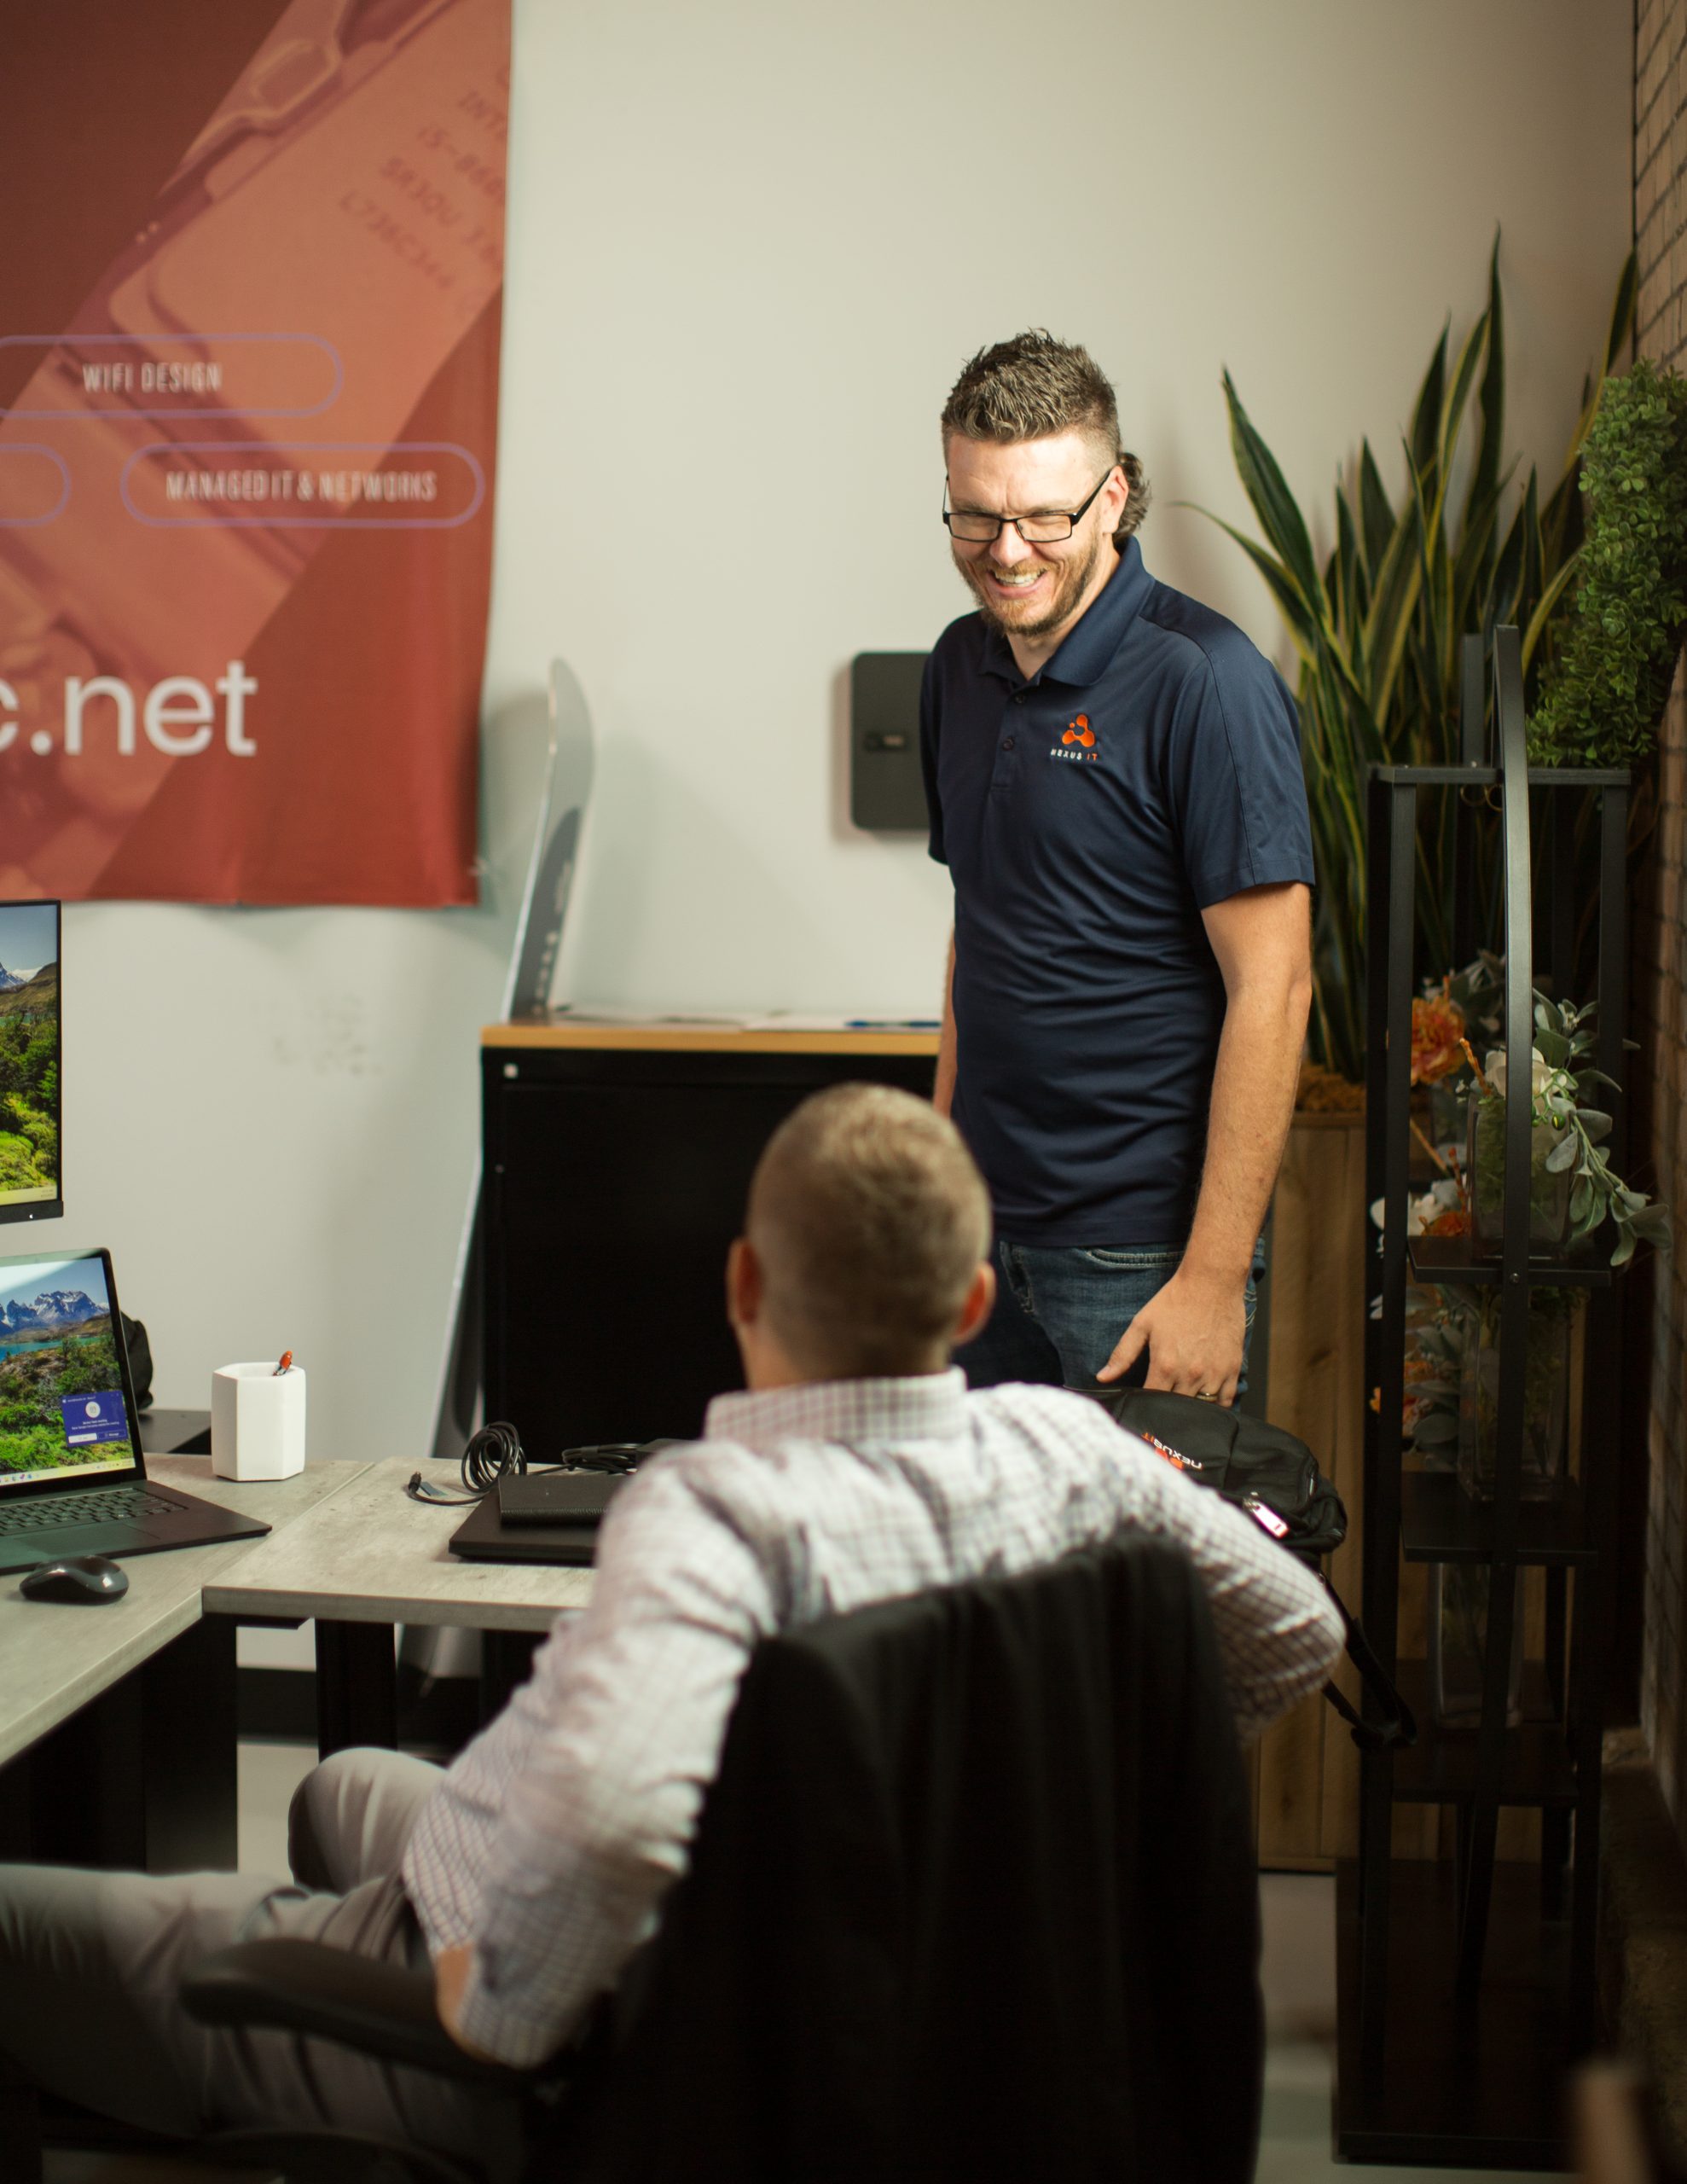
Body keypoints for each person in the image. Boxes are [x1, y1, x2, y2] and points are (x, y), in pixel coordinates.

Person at [0, 1086, 1342, 2168]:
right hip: (817, 1972)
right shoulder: (1071, 1452)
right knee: (345, 1786)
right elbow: (1296, 1631)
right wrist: (1009, 1821)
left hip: (597, 2029)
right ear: (975, 1303)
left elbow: (627, 1814)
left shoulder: (717, 1518)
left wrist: (502, 2017)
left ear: (744, 1282)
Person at [922, 330, 1315, 1406]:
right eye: (976, 514)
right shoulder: (957, 669)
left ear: (1114, 494)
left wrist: (1212, 1277)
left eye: (1044, 515)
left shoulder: (1206, 680)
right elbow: (979, 931)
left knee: (1143, 1579)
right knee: (993, 1572)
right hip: (985, 1249)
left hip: (1141, 1262)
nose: (1007, 551)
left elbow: (1272, 988)